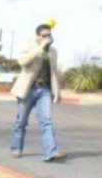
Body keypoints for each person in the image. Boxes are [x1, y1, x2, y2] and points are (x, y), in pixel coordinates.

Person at [10, 23, 66, 162]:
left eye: (49, 35)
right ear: (37, 36)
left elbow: (53, 73)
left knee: (46, 121)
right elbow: (22, 61)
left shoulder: (53, 51)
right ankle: (17, 148)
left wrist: (56, 92)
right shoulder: (29, 46)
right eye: (44, 35)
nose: (48, 38)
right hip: (28, 89)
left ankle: (50, 153)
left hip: (45, 89)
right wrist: (40, 48)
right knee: (21, 121)